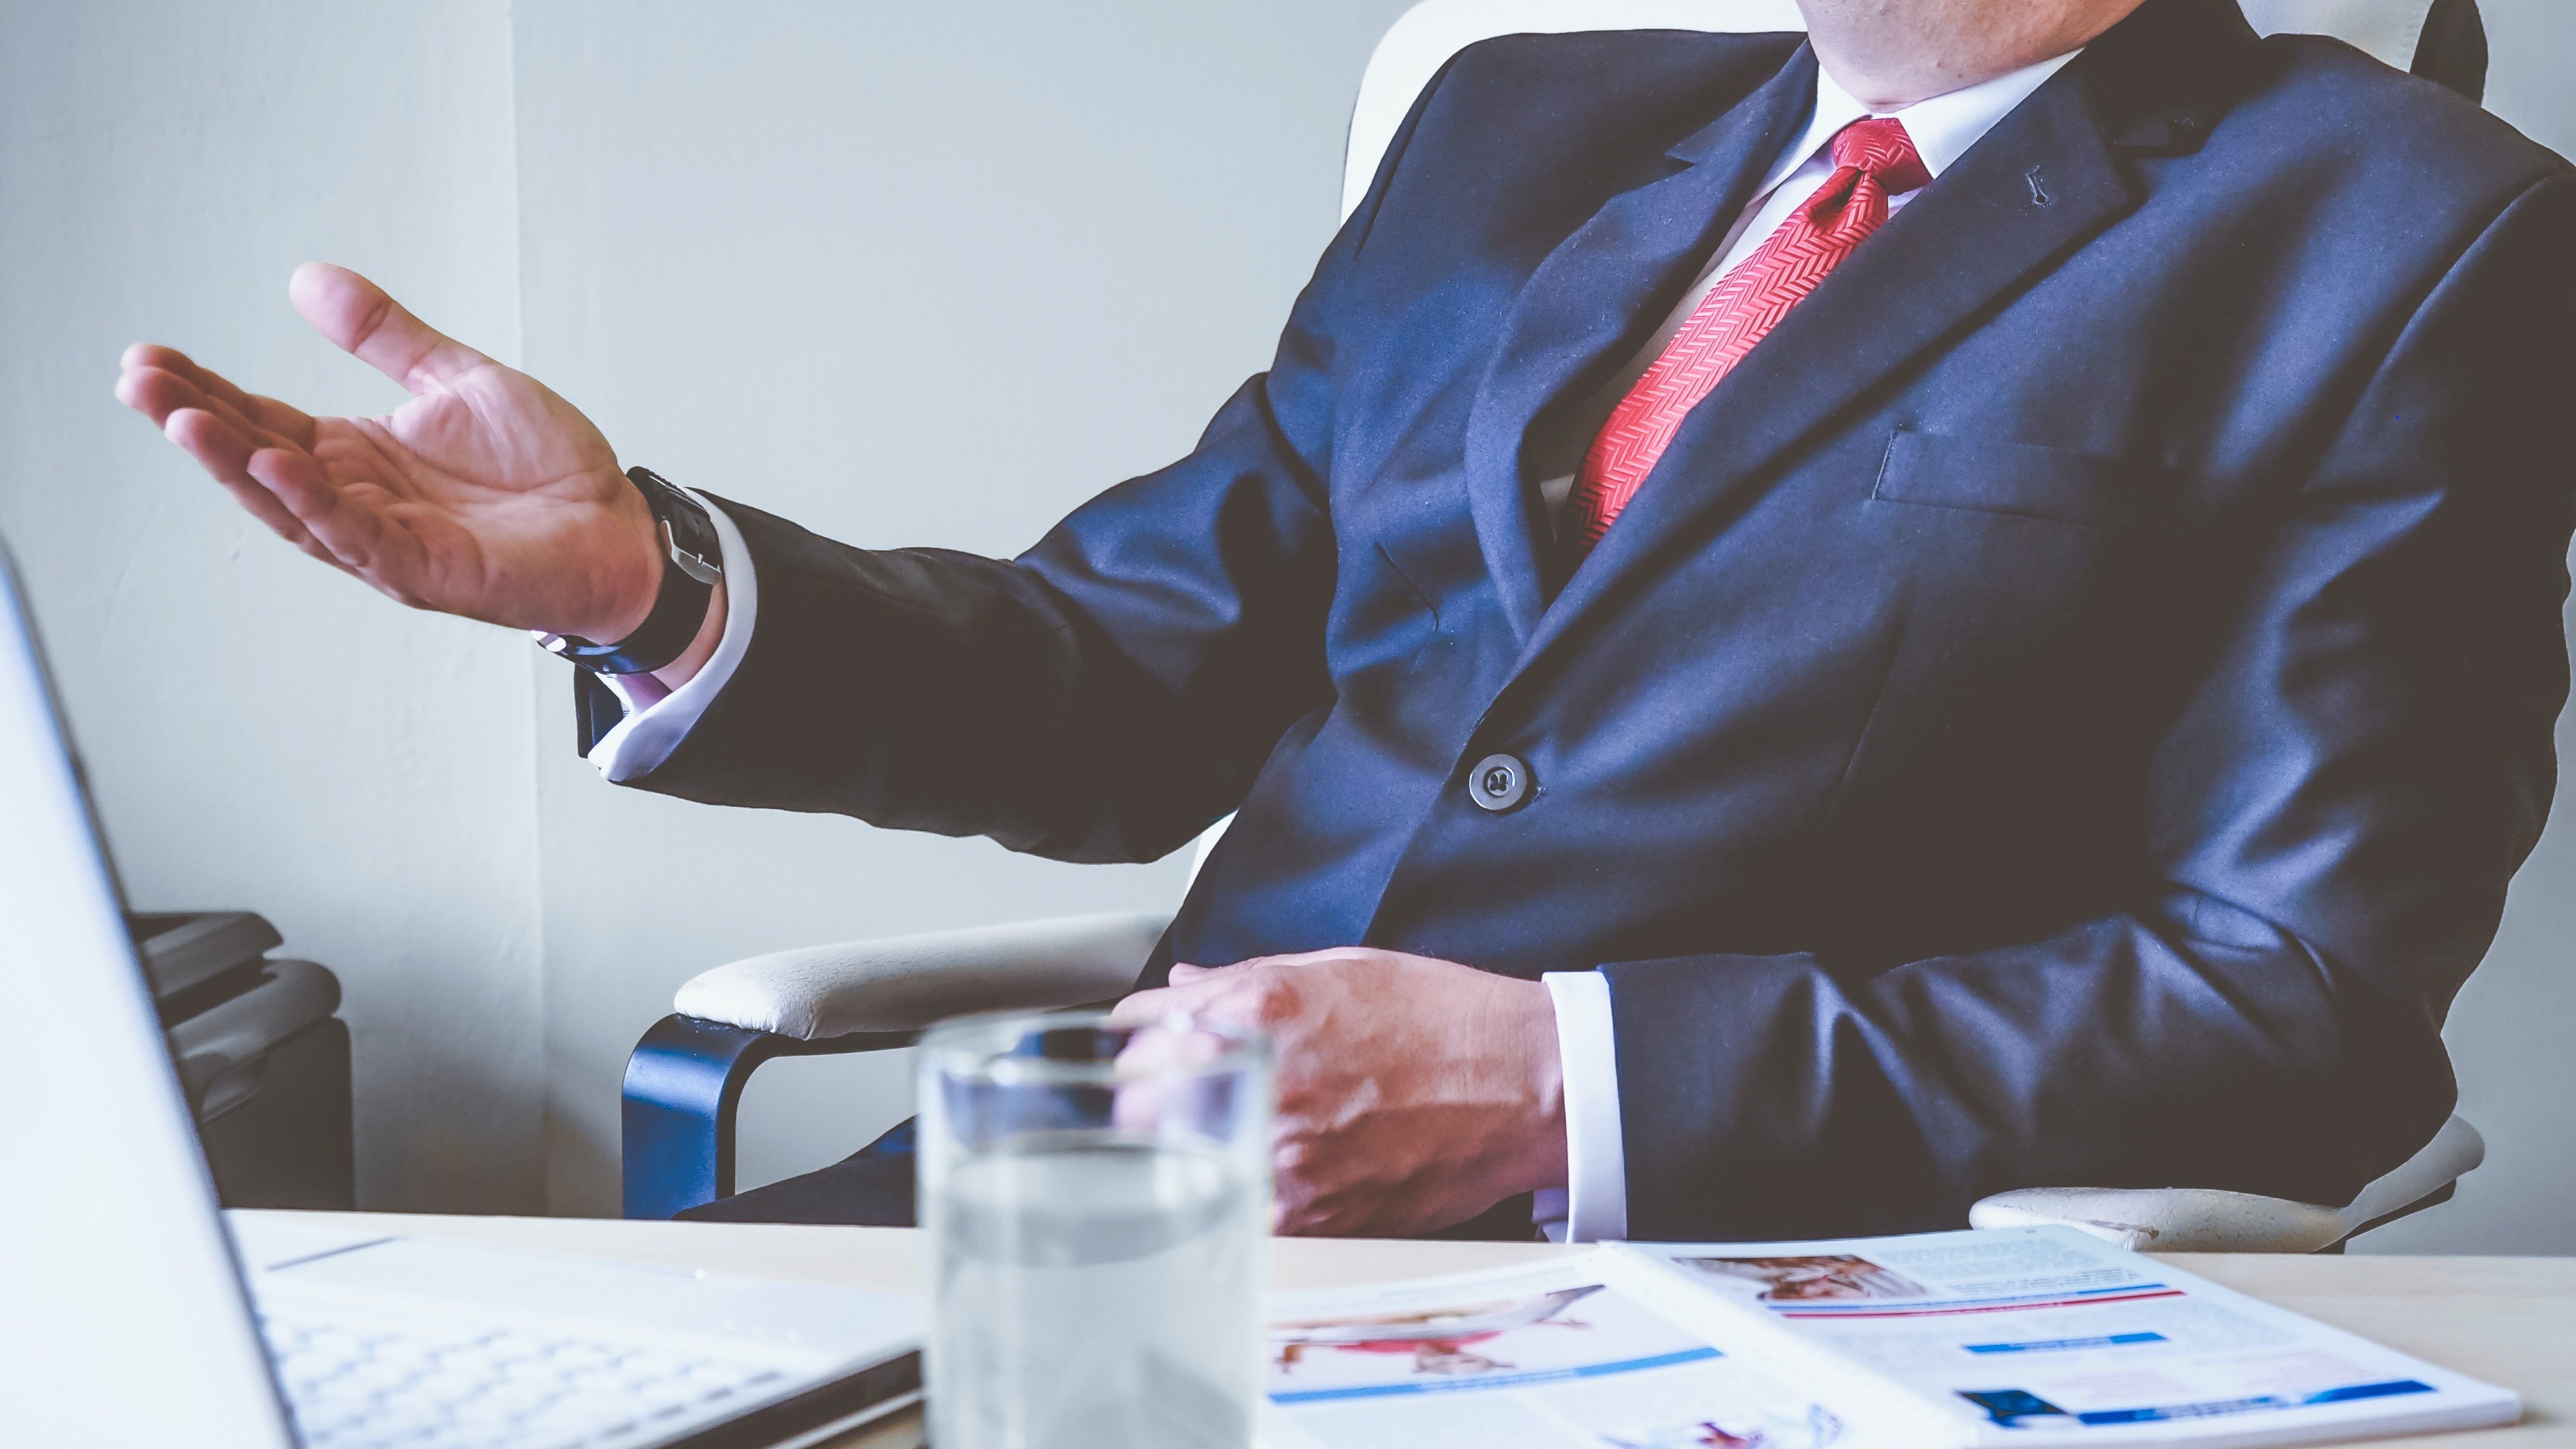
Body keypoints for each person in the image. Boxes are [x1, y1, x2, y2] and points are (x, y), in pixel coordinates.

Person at [116, 0, 2575, 1243]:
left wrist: (1549, 1088)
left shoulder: (2411, 231)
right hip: (1111, 1224)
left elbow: (2299, 1003)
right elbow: (1132, 674)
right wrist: (656, 580)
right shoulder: (1527, 121)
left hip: (1700, 1301)